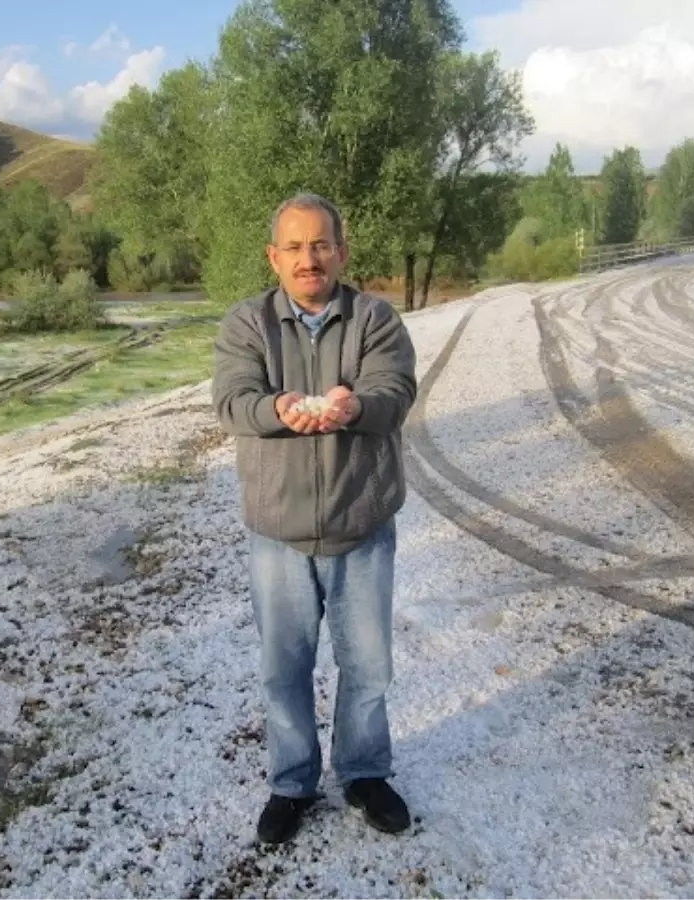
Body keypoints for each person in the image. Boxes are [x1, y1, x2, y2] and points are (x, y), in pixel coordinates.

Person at [211, 192, 418, 844]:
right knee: (284, 669)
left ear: (341, 252)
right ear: (274, 257)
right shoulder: (246, 323)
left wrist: (352, 406)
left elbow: (395, 389)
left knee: (368, 667)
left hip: (362, 527)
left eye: (321, 244)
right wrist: (281, 411)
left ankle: (363, 774)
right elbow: (233, 401)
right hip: (278, 534)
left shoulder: (376, 318)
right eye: (295, 247)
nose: (309, 259)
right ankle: (292, 783)